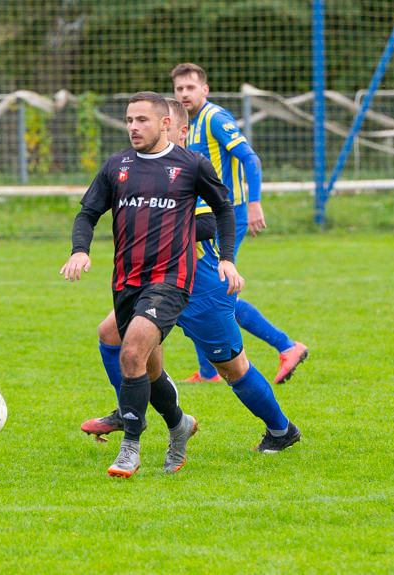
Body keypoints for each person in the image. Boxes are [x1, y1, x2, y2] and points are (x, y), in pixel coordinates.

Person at [81, 98, 302, 454]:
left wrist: (169, 225)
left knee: (232, 367)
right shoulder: (144, 169)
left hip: (200, 286)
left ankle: (281, 429)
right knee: (113, 335)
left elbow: (217, 217)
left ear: (174, 129)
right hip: (156, 281)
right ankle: (128, 409)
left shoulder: (189, 172)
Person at [61, 91, 243, 478]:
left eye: (141, 120)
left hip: (171, 280)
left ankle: (130, 447)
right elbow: (88, 213)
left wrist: (227, 258)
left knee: (130, 353)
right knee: (148, 368)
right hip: (126, 281)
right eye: (128, 120)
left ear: (164, 123)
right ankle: (179, 425)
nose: (132, 127)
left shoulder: (192, 165)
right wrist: (80, 250)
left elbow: (224, 210)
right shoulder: (117, 166)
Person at [171, 62, 308, 385]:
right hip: (201, 220)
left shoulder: (215, 118)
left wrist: (255, 202)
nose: (184, 94)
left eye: (190, 87)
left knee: (213, 291)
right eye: (179, 89)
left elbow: (250, 158)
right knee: (198, 288)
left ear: (205, 89)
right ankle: (208, 372)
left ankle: (287, 345)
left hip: (226, 217)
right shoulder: (185, 124)